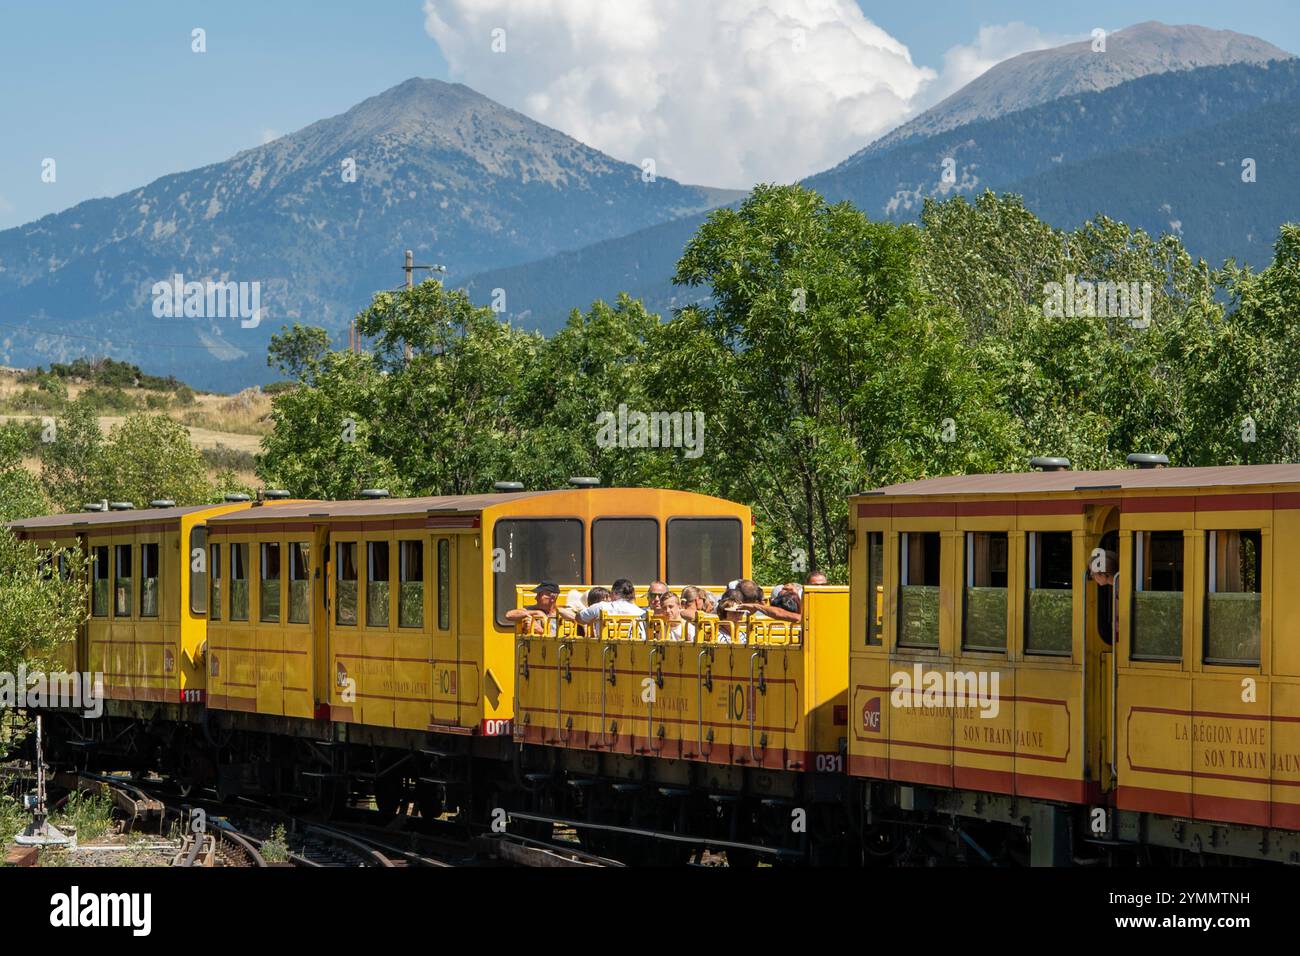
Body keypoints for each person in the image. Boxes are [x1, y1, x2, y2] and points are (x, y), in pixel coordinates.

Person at [561, 578, 646, 638]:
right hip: (634, 651)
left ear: (614, 593)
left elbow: (579, 618)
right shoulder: (641, 612)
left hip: (606, 650)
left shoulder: (601, 607)